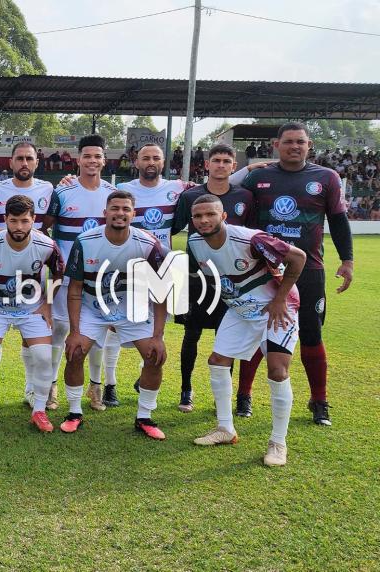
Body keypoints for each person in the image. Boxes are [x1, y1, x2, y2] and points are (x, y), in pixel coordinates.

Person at [239, 123, 353, 426]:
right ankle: (243, 396)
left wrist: (348, 260)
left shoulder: (326, 178)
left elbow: (339, 221)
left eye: (300, 142)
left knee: (312, 334)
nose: (294, 147)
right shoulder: (258, 178)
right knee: (257, 332)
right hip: (263, 270)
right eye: (288, 142)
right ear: (277, 145)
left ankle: (319, 401)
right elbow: (240, 217)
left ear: (309, 144)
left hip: (310, 271)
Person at [186, 194, 305, 467]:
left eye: (210, 214)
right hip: (241, 310)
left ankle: (278, 442)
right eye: (198, 216)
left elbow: (297, 258)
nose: (204, 220)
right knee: (217, 361)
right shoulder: (195, 243)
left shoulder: (250, 239)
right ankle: (225, 429)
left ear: (223, 216)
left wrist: (278, 299)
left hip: (276, 307)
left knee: (277, 371)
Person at [61, 190, 168, 439]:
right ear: (105, 213)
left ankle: (145, 416)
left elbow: (160, 293)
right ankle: (74, 412)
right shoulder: (85, 241)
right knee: (75, 353)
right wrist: (74, 331)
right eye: (115, 208)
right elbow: (75, 289)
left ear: (133, 214)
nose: (120, 213)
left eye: (126, 209)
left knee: (154, 356)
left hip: (132, 308)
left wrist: (158, 335)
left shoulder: (148, 244)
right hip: (93, 307)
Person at [95, 144, 183, 410]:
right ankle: (110, 385)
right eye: (146, 157)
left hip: (159, 268)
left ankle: (145, 375)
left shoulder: (177, 188)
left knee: (157, 326)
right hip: (124, 269)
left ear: (164, 161)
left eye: (156, 157)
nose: (151, 161)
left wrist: (249, 168)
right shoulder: (121, 190)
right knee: (113, 326)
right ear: (136, 161)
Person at [171, 144, 256, 412]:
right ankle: (186, 390)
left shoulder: (245, 195)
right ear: (207, 165)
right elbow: (171, 228)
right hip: (197, 278)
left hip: (235, 280)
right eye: (216, 160)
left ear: (234, 166)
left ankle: (228, 396)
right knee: (191, 334)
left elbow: (254, 235)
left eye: (226, 161)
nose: (221, 165)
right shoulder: (190, 196)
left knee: (228, 337)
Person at [0, 195, 63, 431]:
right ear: (5, 220)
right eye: (13, 221)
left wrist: (48, 303)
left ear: (33, 219)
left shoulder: (46, 245)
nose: (19, 227)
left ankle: (40, 410)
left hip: (31, 307)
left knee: (44, 356)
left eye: (25, 221)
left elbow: (58, 273)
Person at [43, 135, 115, 413]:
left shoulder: (111, 193)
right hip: (67, 277)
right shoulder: (62, 192)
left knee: (99, 332)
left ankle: (95, 387)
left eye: (97, 156)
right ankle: (51, 386)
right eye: (87, 156)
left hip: (100, 277)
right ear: (78, 159)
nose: (92, 161)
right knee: (60, 329)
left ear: (103, 160)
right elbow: (45, 227)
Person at [0, 141, 56, 408]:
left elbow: (50, 224)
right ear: (11, 162)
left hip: (32, 273)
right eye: (20, 158)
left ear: (37, 162)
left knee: (32, 335)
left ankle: (31, 390)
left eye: (29, 158)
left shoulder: (49, 189)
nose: (24, 163)